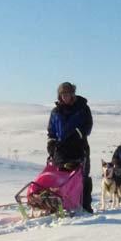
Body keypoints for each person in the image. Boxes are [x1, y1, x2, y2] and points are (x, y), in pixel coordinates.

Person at [47, 81, 93, 213]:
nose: (65, 97)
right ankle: (59, 204)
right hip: (61, 150)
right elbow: (51, 130)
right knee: (59, 177)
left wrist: (76, 135)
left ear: (73, 94)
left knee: (82, 177)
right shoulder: (56, 112)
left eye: (68, 94)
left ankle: (85, 206)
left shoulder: (82, 108)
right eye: (63, 94)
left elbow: (87, 127)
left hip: (78, 147)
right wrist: (51, 143)